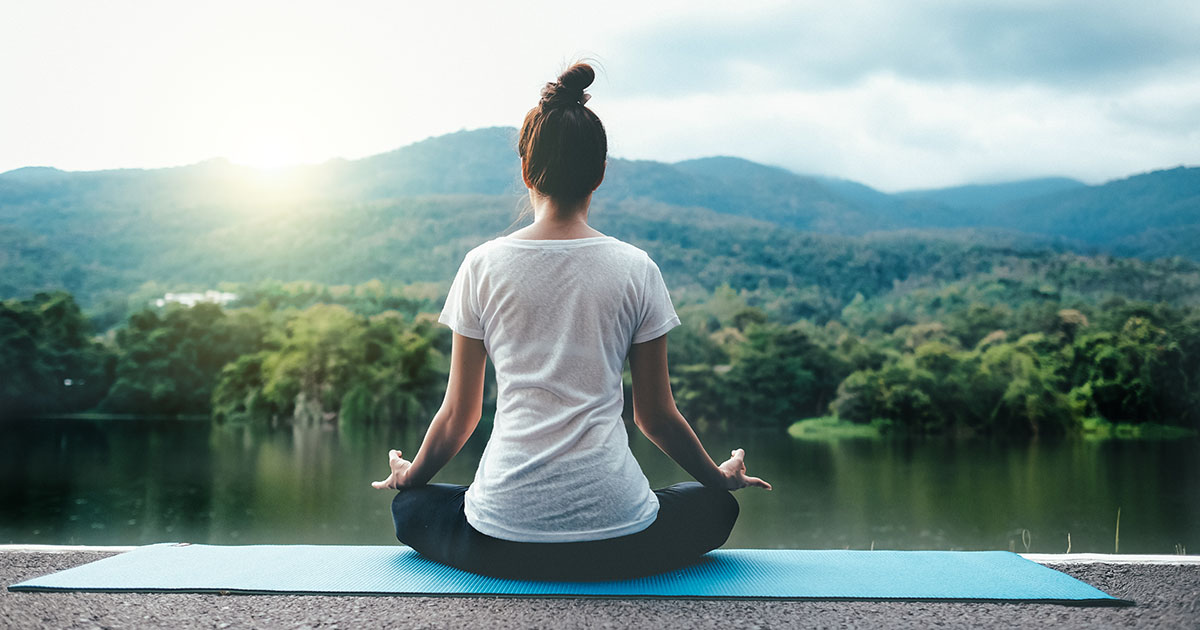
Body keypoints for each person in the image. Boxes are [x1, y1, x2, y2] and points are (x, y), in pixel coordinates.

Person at [371, 62, 771, 581]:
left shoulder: (481, 265)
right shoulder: (637, 268)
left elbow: (459, 415)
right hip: (620, 542)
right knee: (716, 507)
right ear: (600, 173)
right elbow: (655, 416)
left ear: (526, 171)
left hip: (499, 541)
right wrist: (718, 477)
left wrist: (409, 478)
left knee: (411, 509)